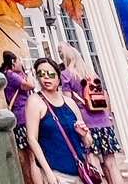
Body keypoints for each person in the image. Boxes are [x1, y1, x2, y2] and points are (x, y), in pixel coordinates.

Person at [26, 56, 94, 184]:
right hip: (57, 173)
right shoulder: (35, 101)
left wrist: (84, 135)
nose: (46, 77)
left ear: (58, 77)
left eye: (50, 74)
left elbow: (88, 142)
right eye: (41, 74)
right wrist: (48, 173)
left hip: (79, 171)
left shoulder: (70, 103)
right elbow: (32, 139)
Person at [60, 44, 121, 184]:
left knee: (93, 162)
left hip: (86, 122)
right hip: (104, 121)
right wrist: (109, 116)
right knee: (111, 164)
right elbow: (104, 95)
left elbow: (68, 101)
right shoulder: (91, 74)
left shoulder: (66, 75)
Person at [4, 51, 44, 184]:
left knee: (27, 157)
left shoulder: (8, 75)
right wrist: (29, 73)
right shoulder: (12, 76)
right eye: (19, 60)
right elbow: (31, 85)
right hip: (23, 117)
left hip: (20, 117)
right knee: (32, 157)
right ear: (13, 62)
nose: (21, 63)